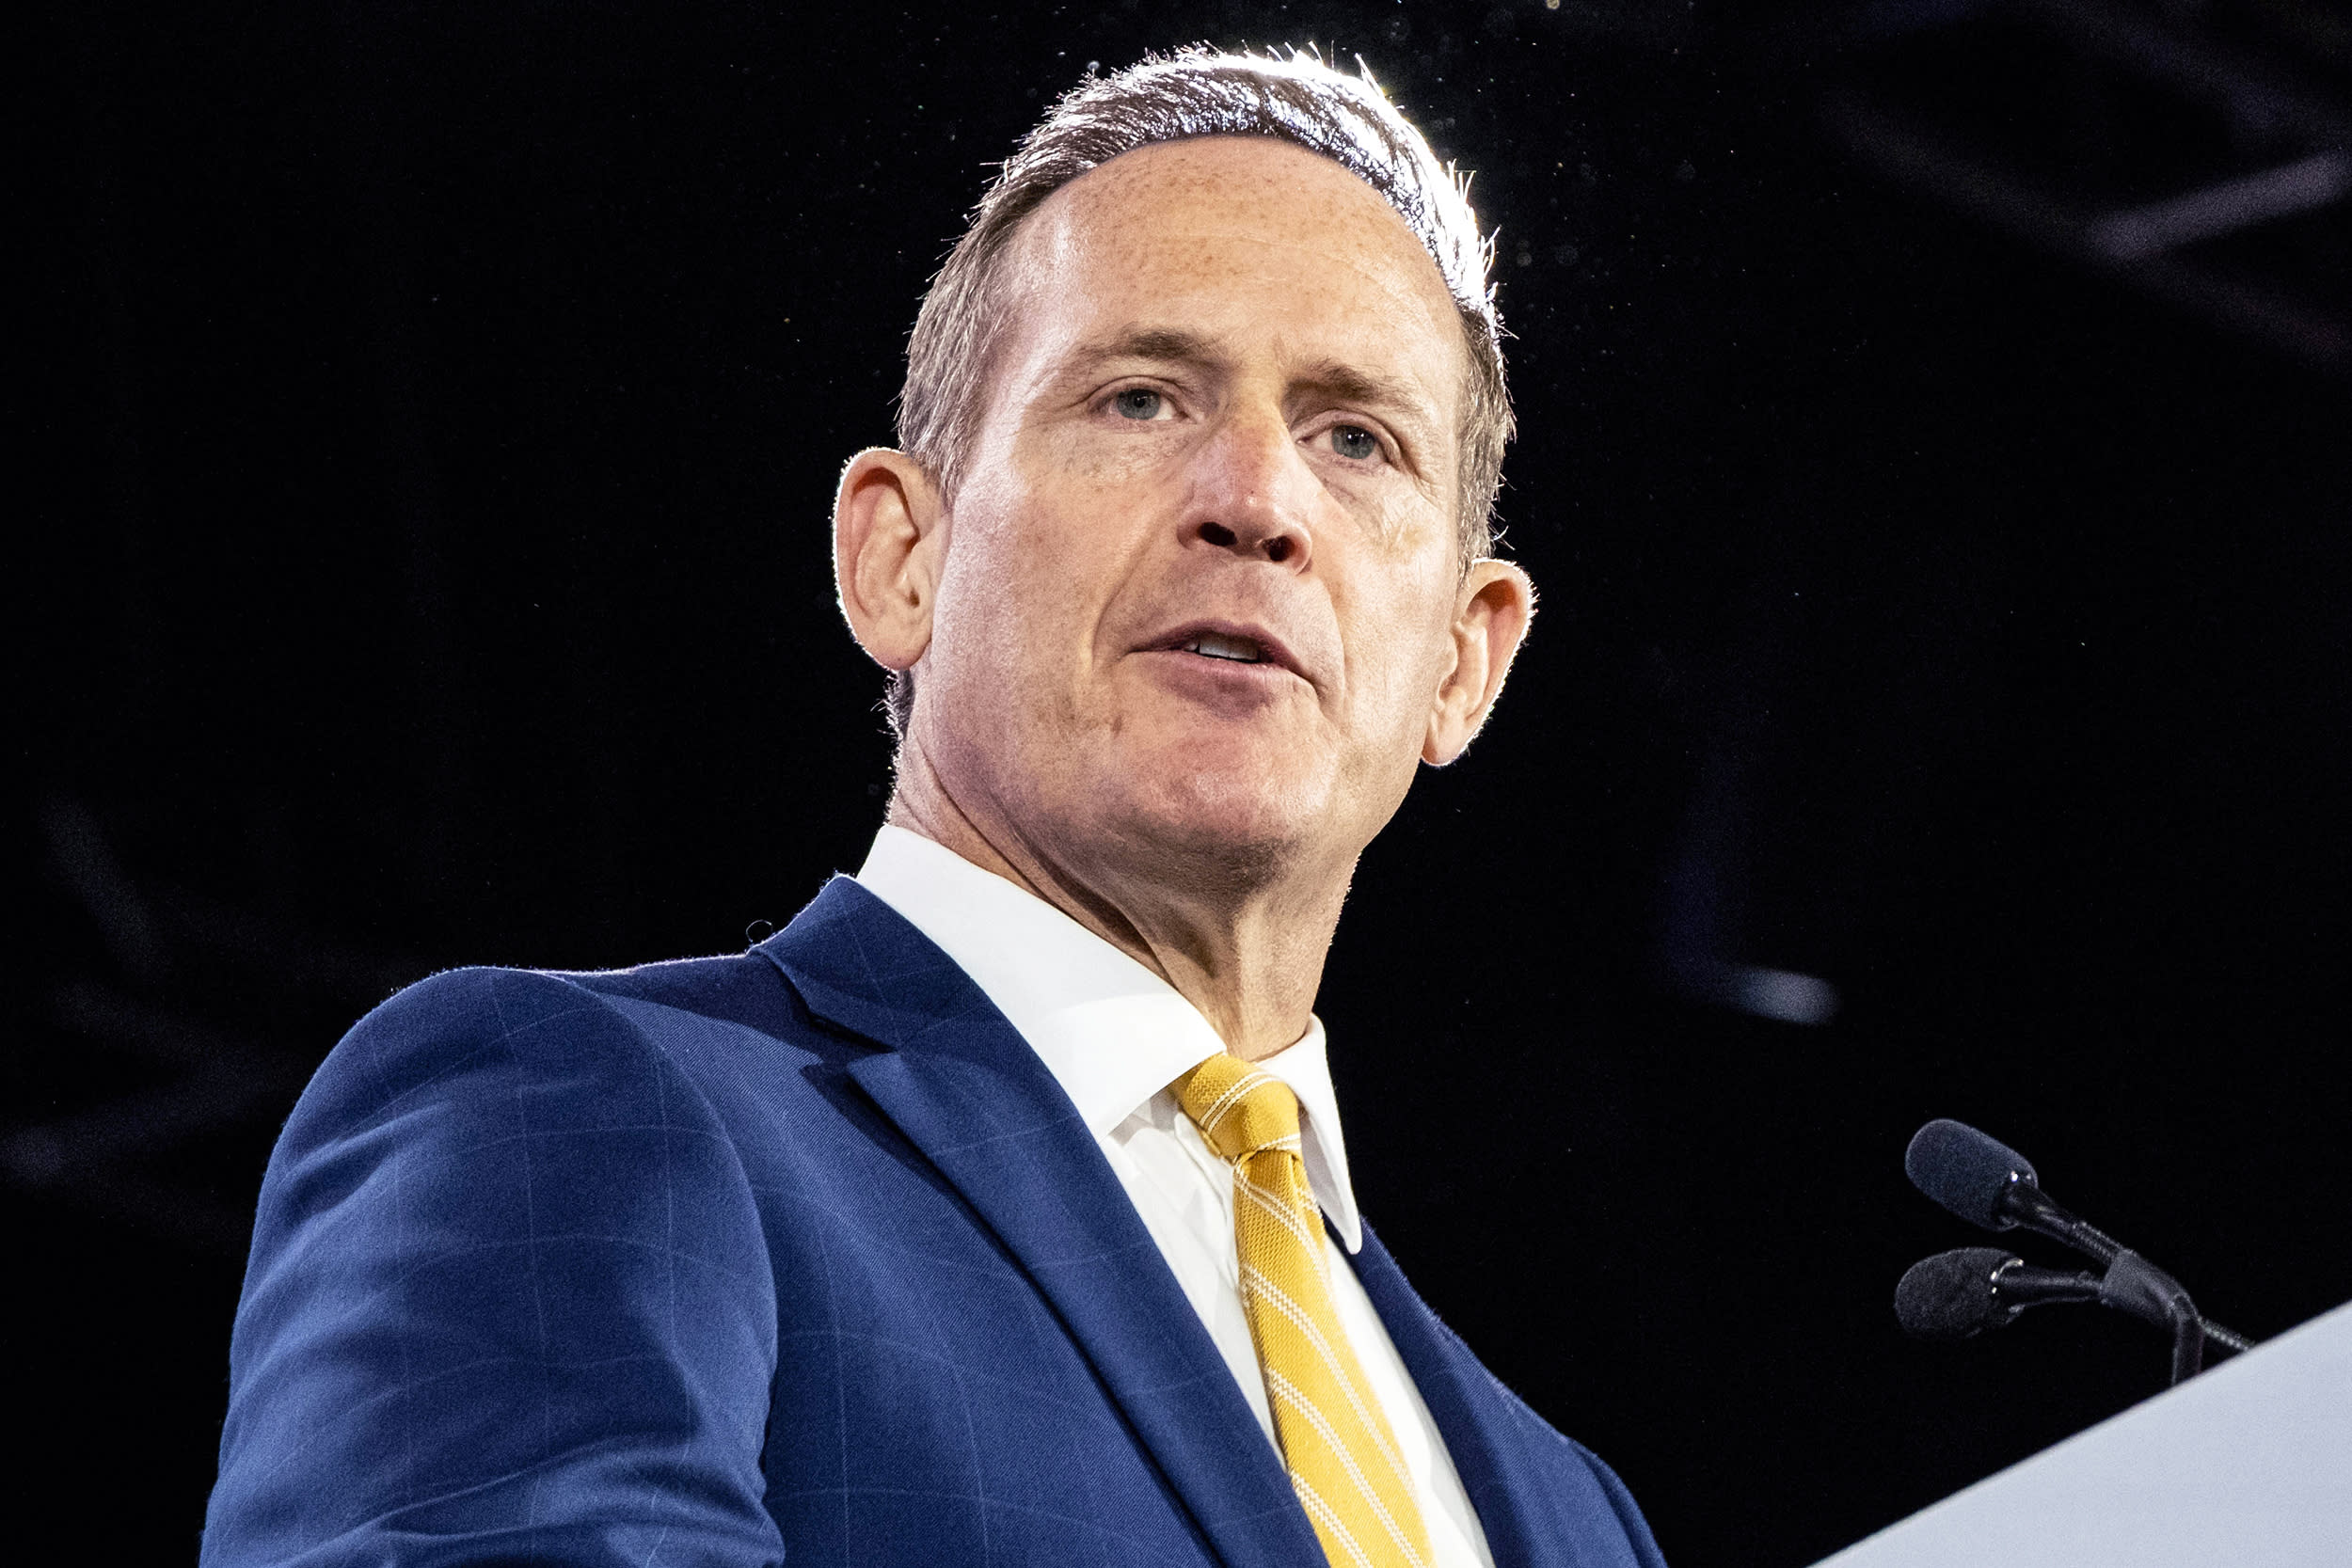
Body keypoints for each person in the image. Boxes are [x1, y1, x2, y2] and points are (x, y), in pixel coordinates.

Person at [201, 50, 1666, 1568]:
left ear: (1465, 661)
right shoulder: (575, 1116)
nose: (1257, 501)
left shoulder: (1574, 1518)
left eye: (1356, 438)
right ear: (899, 557)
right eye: (1141, 398)